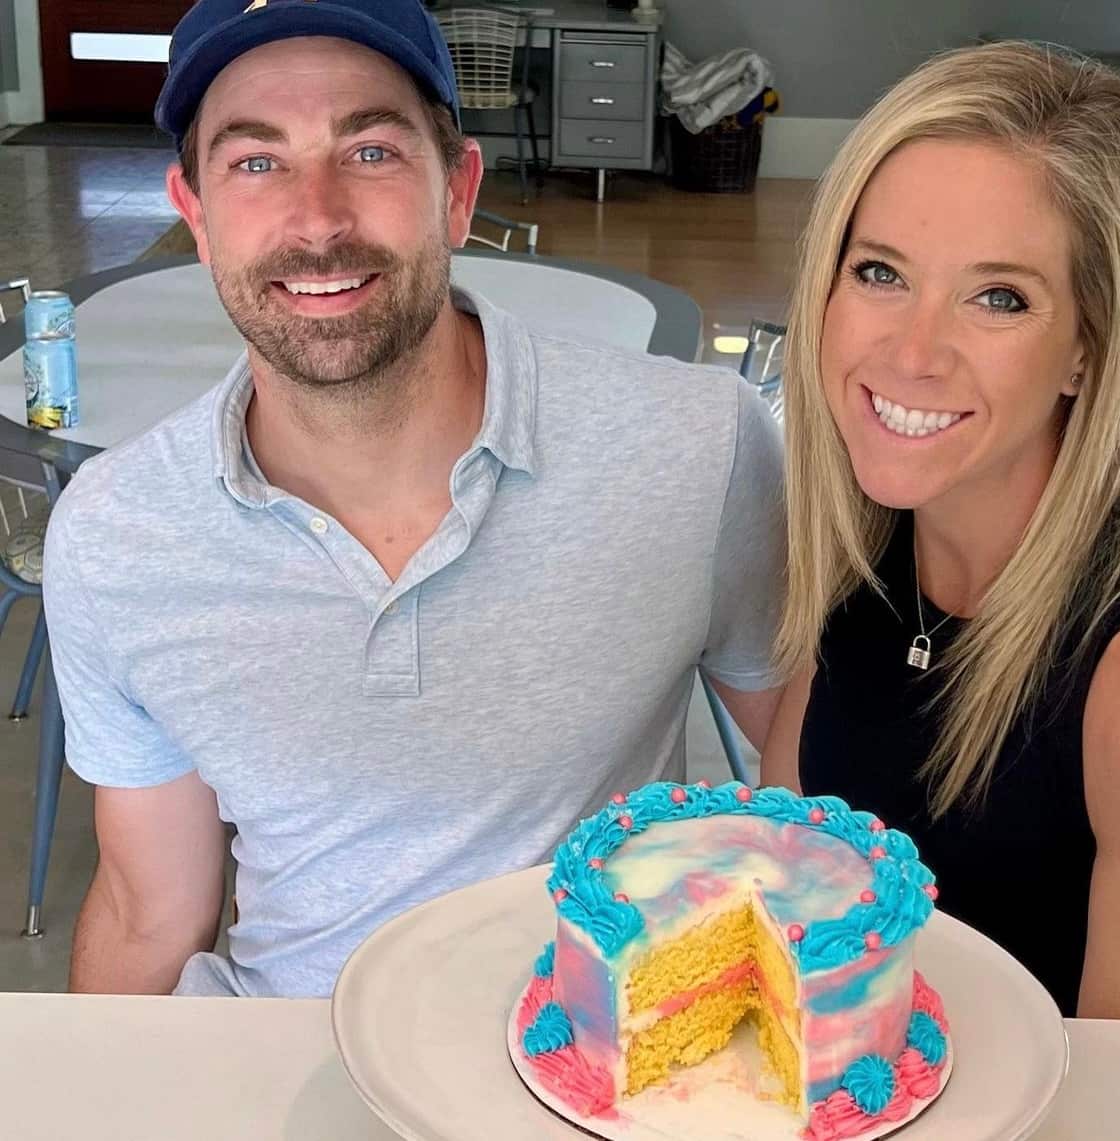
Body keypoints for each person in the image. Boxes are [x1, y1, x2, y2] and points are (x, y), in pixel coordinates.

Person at [43, 0, 785, 998]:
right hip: (285, 1057)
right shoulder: (115, 533)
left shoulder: (702, 444)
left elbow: (814, 777)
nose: (318, 219)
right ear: (197, 215)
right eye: (255, 162)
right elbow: (150, 906)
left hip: (592, 1060)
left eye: (373, 152)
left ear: (458, 192)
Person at [761, 40, 1120, 1020]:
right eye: (880, 272)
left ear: (1087, 348)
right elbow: (778, 896)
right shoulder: (864, 553)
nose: (912, 351)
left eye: (999, 298)